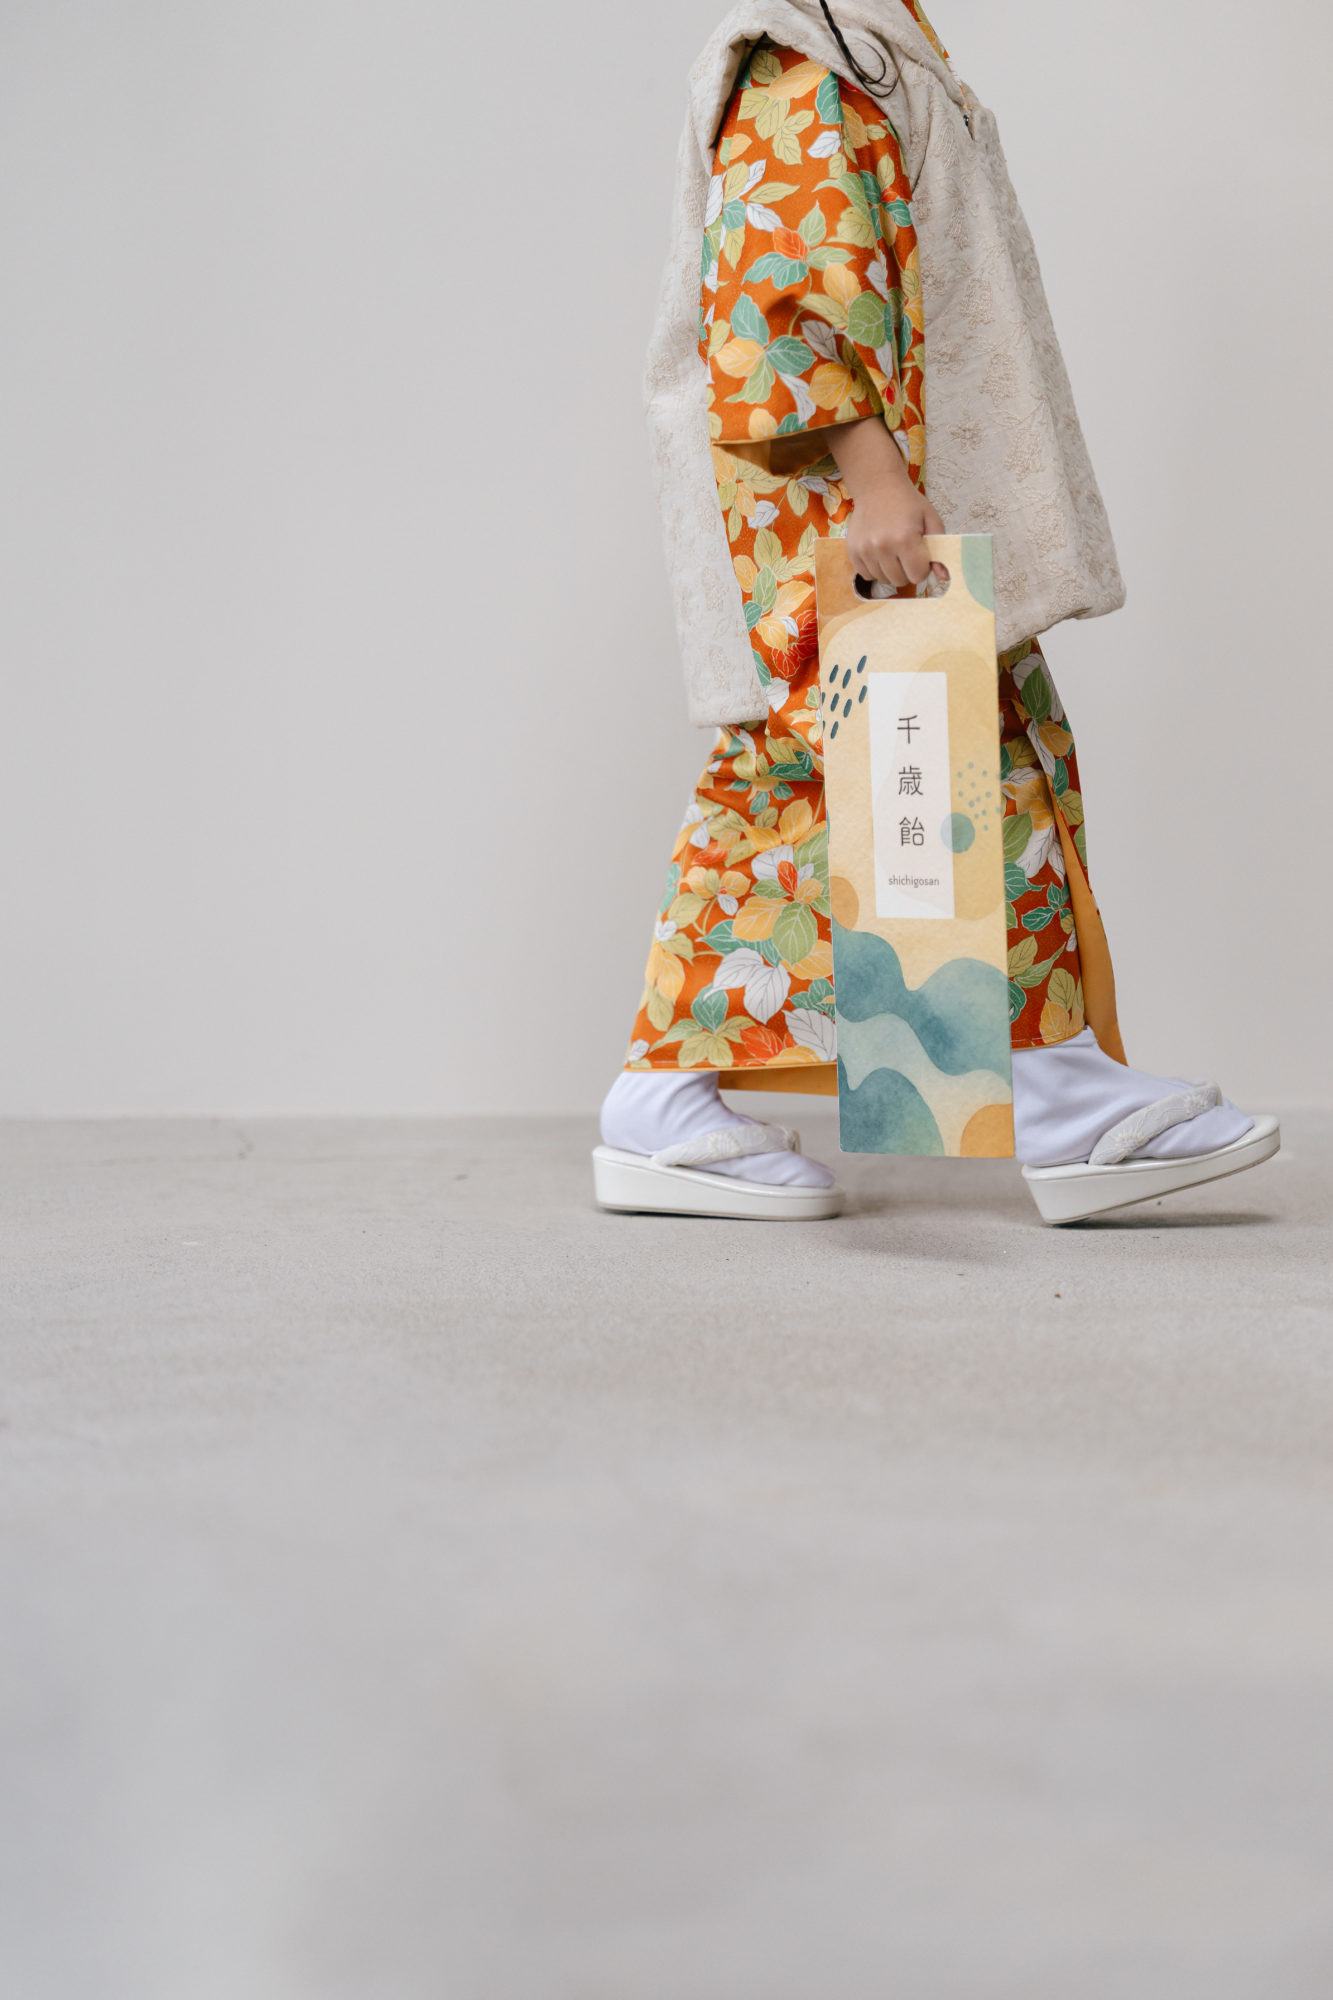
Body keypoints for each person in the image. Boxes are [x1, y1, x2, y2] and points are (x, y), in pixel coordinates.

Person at [594, 0, 1278, 1224]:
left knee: (812, 781)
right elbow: (773, 291)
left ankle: (662, 1096)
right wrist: (874, 479)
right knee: (940, 760)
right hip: (847, 506)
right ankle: (1059, 1095)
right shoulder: (801, 59)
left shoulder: (858, 38)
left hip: (871, 500)